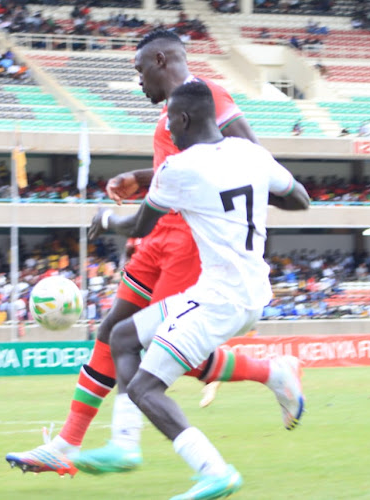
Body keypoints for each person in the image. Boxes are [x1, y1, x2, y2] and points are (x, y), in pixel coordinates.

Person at [5, 29, 300, 478]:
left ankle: (126, 443)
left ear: (161, 60)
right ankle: (67, 442)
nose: (138, 78)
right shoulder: (171, 114)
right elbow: (185, 169)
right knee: (114, 330)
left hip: (191, 242)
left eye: (140, 68)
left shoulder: (208, 97)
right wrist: (142, 178)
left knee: (146, 343)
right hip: (157, 235)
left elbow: (243, 160)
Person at [85, 81, 308, 498]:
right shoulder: (250, 154)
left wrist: (106, 219)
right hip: (247, 289)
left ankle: (215, 471)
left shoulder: (180, 168)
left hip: (219, 300)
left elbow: (140, 226)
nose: (167, 128)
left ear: (183, 119)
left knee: (144, 387)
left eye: (169, 119)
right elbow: (300, 199)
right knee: (123, 335)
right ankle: (125, 443)